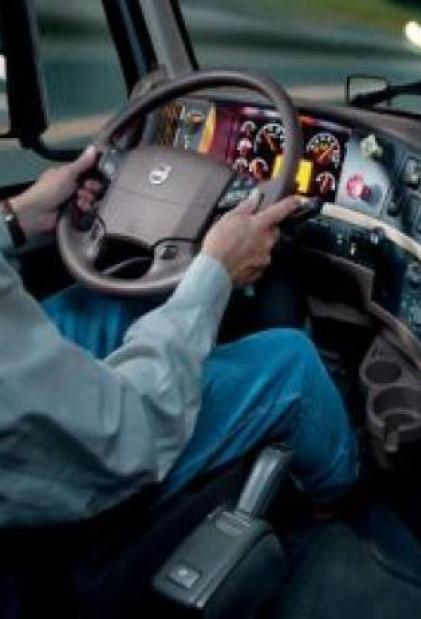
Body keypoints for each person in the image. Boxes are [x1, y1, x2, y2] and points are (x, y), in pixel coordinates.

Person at [0, 148, 359, 527]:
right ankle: (339, 501)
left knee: (111, 302)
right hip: (93, 476)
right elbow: (132, 432)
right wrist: (216, 272)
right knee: (292, 363)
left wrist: (14, 218)